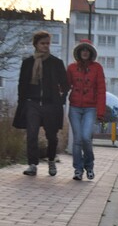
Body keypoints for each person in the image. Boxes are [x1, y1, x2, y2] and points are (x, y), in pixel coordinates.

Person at [12, 31, 69, 176]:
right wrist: (22, 102)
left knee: (52, 136)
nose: (45, 46)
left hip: (51, 104)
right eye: (42, 43)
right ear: (36, 44)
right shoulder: (28, 62)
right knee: (31, 134)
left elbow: (65, 84)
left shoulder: (56, 63)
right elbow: (22, 84)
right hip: (32, 103)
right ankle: (32, 164)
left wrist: (61, 100)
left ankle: (51, 161)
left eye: (47, 43)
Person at [67, 39, 106, 181]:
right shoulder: (71, 68)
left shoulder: (97, 68)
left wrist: (100, 112)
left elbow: (101, 90)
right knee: (77, 140)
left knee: (85, 137)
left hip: (90, 107)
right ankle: (78, 170)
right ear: (78, 52)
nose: (84, 52)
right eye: (82, 50)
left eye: (87, 50)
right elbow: (65, 86)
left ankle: (89, 166)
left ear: (90, 53)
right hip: (75, 107)